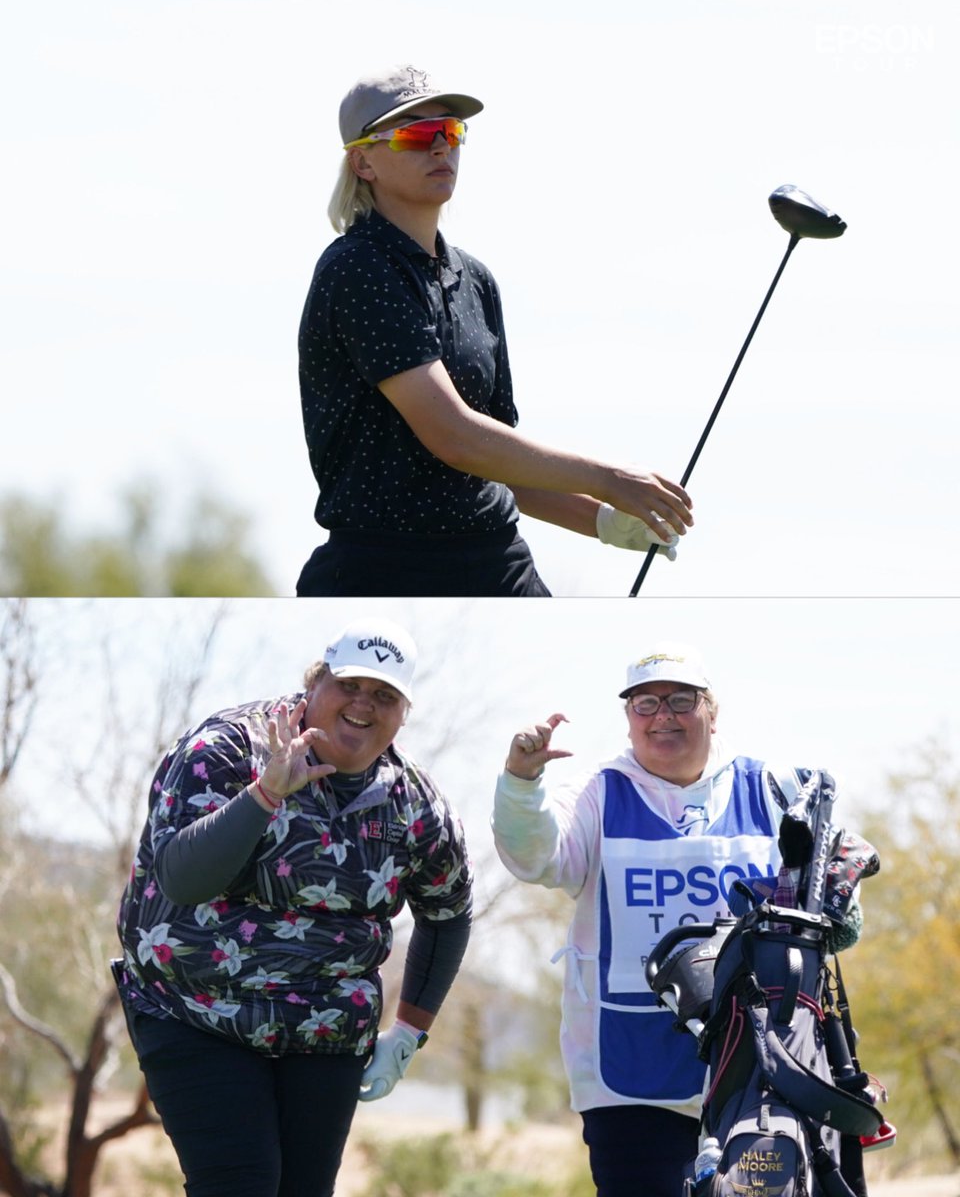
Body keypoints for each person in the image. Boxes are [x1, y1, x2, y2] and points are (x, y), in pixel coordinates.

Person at [296, 64, 694, 596]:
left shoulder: (475, 279)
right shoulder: (359, 268)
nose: (441, 148)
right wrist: (609, 478)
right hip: (383, 566)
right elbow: (456, 438)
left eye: (451, 132)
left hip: (496, 560)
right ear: (363, 160)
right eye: (417, 134)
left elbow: (497, 455)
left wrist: (601, 519)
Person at [114, 616, 472, 1197]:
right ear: (314, 684)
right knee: (242, 1185)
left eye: (384, 695)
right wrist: (267, 793)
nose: (362, 705)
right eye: (348, 686)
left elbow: (448, 909)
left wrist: (408, 1032)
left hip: (325, 1025)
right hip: (193, 1008)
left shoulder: (413, 802)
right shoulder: (226, 750)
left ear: (404, 714)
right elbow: (180, 878)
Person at [491, 642, 862, 1197]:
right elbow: (535, 856)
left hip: (764, 1064)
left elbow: (837, 911)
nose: (662, 715)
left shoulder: (774, 787)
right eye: (645, 703)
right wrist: (521, 783)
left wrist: (839, 901)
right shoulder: (598, 791)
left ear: (712, 710)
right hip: (630, 1075)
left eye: (681, 700)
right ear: (628, 718)